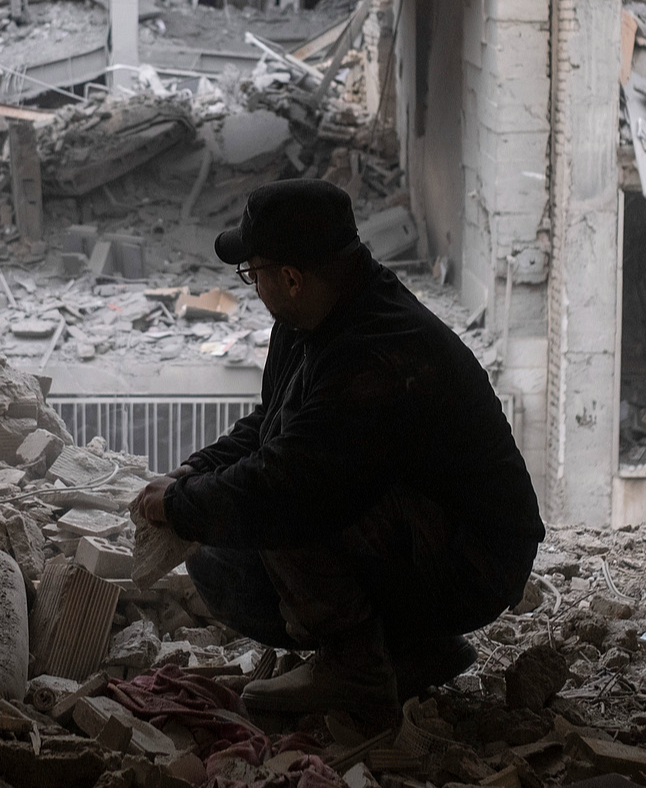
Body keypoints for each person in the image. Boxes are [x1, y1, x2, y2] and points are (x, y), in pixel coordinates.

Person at [136, 179, 544, 719]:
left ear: (291, 278)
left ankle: (357, 671)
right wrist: (192, 473)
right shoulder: (316, 313)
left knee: (278, 506)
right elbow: (271, 423)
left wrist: (180, 504)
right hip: (419, 528)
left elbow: (289, 483)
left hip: (475, 564)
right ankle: (413, 653)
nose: (252, 285)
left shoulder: (375, 353)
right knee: (218, 560)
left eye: (253, 273)